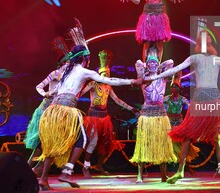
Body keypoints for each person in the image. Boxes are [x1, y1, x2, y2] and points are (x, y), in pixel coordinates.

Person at [147, 31, 220, 186]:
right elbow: (175, 69)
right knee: (189, 136)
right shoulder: (195, 58)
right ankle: (181, 171)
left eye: (208, 40)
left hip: (213, 100)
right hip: (201, 100)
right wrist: (153, 77)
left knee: (217, 137)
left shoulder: (217, 60)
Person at [38, 45, 142, 190]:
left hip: (53, 110)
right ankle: (66, 173)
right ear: (85, 58)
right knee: (83, 140)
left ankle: (43, 179)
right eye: (88, 58)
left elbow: (56, 90)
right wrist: (132, 81)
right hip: (66, 110)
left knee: (54, 144)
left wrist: (49, 95)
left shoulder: (68, 71)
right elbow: (111, 80)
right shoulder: (85, 72)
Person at [80, 49, 138, 178]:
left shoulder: (108, 87)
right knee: (93, 141)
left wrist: (131, 109)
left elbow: (118, 100)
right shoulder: (93, 84)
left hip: (104, 117)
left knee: (107, 142)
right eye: (104, 74)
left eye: (108, 74)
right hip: (93, 116)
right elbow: (80, 93)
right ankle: (86, 166)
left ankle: (99, 165)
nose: (107, 77)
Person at [130, 48, 177, 183]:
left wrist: (158, 65)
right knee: (143, 144)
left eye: (154, 63)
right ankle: (139, 175)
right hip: (146, 115)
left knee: (163, 144)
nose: (152, 64)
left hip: (161, 115)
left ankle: (163, 175)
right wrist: (147, 64)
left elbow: (171, 62)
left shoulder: (163, 77)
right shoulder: (143, 78)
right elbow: (138, 63)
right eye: (150, 63)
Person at [24, 54, 68, 175]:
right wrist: (45, 93)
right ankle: (29, 168)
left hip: (56, 112)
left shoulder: (69, 76)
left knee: (53, 143)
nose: (68, 64)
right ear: (62, 63)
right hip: (45, 110)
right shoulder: (55, 74)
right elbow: (39, 86)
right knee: (42, 142)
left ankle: (36, 168)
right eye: (66, 62)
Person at [164, 72, 199, 171]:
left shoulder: (182, 99)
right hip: (170, 121)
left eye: (176, 87)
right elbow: (159, 104)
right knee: (168, 143)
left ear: (179, 88)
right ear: (171, 88)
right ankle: (166, 166)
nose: (175, 88)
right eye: (173, 87)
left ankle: (186, 165)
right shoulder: (166, 98)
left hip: (179, 122)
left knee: (183, 143)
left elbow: (189, 106)